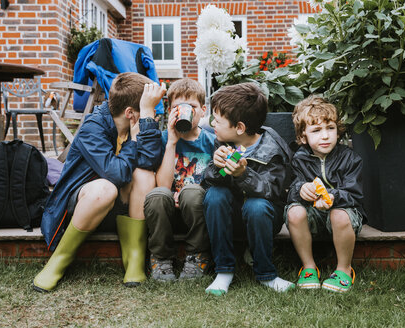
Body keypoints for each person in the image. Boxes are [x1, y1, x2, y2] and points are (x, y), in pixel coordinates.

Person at [33, 72, 166, 292]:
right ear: (130, 113)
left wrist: (146, 121)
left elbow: (150, 160)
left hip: (121, 212)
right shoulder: (93, 128)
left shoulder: (134, 124)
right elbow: (117, 175)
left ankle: (134, 259)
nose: (148, 118)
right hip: (81, 208)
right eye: (146, 112)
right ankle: (58, 260)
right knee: (105, 188)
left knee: (144, 174)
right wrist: (134, 141)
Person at [202, 82, 295, 295]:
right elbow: (209, 183)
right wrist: (217, 168)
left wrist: (243, 175)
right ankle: (224, 270)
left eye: (217, 119)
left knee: (257, 205)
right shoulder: (225, 141)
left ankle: (266, 274)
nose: (212, 123)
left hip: (264, 218)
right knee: (215, 195)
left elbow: (273, 191)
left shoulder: (272, 150)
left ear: (240, 127)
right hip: (232, 217)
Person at [286, 95, 365, 293]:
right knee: (294, 212)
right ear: (303, 136)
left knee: (339, 214)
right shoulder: (299, 160)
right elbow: (290, 192)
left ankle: (344, 269)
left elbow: (354, 195)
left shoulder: (350, 159)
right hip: (313, 216)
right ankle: (309, 267)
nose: (325, 136)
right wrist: (300, 189)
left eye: (330, 128)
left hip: (343, 218)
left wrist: (332, 197)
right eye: (316, 130)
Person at [144, 78, 215, 281]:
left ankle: (197, 255)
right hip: (167, 214)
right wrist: (172, 143)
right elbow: (163, 186)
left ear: (202, 110)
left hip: (196, 211)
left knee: (192, 191)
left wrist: (185, 193)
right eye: (177, 107)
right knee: (157, 194)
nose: (185, 111)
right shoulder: (164, 139)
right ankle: (160, 257)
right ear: (169, 111)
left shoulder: (211, 142)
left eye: (191, 106)